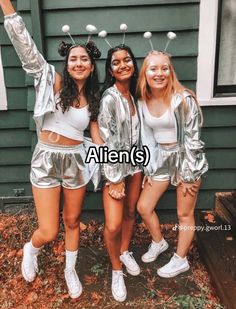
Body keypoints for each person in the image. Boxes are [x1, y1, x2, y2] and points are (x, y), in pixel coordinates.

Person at [0, 0, 101, 299]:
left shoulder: (95, 99)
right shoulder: (50, 80)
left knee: (71, 221)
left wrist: (123, 167)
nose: (78, 63)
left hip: (75, 163)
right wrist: (7, 6)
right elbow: (26, 47)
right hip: (45, 159)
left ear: (91, 65)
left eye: (84, 59)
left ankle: (70, 268)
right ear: (66, 64)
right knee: (48, 230)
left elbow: (99, 141)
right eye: (73, 59)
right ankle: (31, 249)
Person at [136, 50, 208, 278]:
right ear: (145, 73)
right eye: (153, 68)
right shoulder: (142, 100)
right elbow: (146, 137)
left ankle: (181, 259)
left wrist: (188, 175)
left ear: (170, 71)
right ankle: (159, 242)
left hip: (187, 158)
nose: (159, 73)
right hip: (161, 158)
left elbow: (193, 140)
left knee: (184, 214)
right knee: (143, 207)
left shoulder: (184, 99)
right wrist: (149, 166)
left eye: (164, 68)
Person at [97, 44, 142, 302]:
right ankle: (116, 270)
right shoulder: (109, 98)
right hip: (115, 167)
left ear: (133, 65)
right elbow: (105, 140)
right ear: (111, 70)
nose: (123, 65)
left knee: (130, 212)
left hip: (135, 164)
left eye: (127, 60)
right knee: (113, 224)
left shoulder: (133, 96)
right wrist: (114, 179)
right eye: (116, 62)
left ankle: (125, 251)